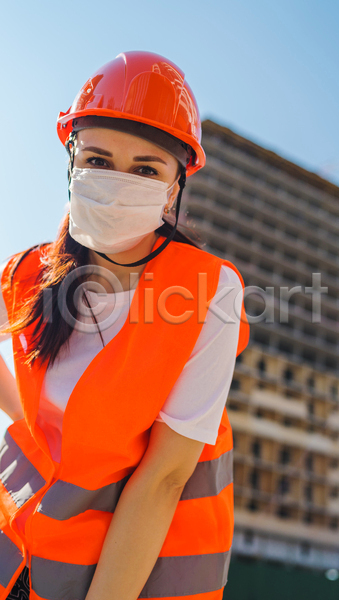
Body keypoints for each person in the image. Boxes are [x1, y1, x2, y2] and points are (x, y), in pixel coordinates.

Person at [0, 51, 249, 600]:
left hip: (114, 579)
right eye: (98, 158)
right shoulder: (26, 274)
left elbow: (163, 479)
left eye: (145, 169)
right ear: (72, 161)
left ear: (174, 185)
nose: (117, 182)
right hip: (14, 546)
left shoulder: (210, 294)